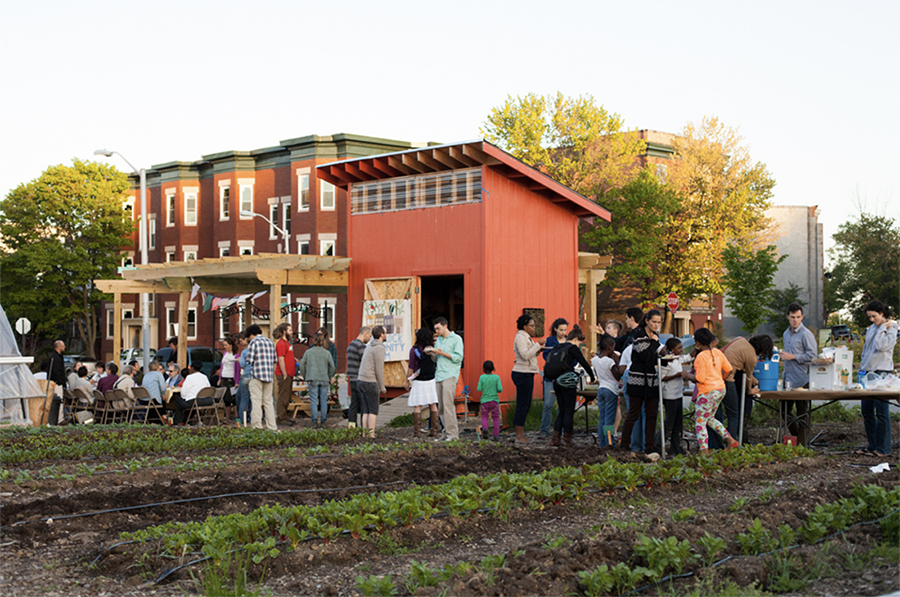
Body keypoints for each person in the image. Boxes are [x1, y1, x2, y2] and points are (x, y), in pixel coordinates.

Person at [686, 328, 738, 454]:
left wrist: (686, 375)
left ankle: (703, 451)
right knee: (709, 418)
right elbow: (728, 369)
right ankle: (731, 440)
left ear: (697, 343)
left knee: (699, 422)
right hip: (720, 389)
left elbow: (700, 378)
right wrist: (720, 379)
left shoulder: (701, 357)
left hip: (706, 392)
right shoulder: (717, 352)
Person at [716, 335, 774, 446]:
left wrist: (753, 380)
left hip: (717, 377)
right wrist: (750, 391)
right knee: (734, 414)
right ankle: (731, 444)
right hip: (728, 379)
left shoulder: (740, 340)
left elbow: (740, 366)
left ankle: (717, 444)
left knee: (718, 415)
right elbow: (747, 376)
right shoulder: (752, 356)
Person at [618, 310, 662, 455]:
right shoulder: (638, 334)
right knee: (633, 413)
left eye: (659, 322)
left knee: (651, 414)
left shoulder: (655, 336)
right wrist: (655, 343)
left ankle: (649, 446)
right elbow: (644, 355)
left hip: (651, 379)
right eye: (654, 321)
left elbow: (652, 357)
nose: (656, 325)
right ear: (647, 321)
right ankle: (625, 444)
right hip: (637, 379)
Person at [858, 300, 897, 456]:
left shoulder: (891, 328)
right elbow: (867, 349)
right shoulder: (872, 328)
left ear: (881, 313)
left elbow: (881, 346)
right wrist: (861, 368)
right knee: (867, 411)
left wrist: (881, 327)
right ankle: (872, 445)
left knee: (881, 412)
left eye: (874, 316)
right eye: (870, 317)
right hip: (868, 372)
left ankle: (884, 448)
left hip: (882, 372)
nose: (872, 320)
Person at [548, 325, 596, 446]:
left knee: (561, 411)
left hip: (556, 381)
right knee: (569, 411)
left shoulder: (558, 347)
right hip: (568, 382)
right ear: (575, 339)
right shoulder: (572, 348)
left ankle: (555, 439)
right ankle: (567, 440)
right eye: (580, 342)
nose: (579, 345)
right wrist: (593, 377)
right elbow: (584, 363)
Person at [781, 303, 818, 445]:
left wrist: (794, 356)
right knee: (783, 410)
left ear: (802, 317)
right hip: (788, 377)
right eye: (792, 317)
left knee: (802, 413)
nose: (795, 320)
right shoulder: (786, 333)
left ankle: (803, 444)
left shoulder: (806, 334)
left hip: (802, 378)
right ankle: (796, 436)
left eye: (798, 317)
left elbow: (813, 356)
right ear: (788, 317)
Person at [512, 314, 546, 444]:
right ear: (524, 326)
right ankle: (519, 436)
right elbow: (525, 355)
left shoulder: (526, 337)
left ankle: (521, 434)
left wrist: (538, 349)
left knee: (526, 405)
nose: (534, 328)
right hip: (522, 373)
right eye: (531, 326)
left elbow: (530, 353)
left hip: (527, 372)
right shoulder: (520, 337)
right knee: (522, 404)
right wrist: (538, 345)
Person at [432, 317, 464, 441]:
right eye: (435, 329)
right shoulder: (438, 340)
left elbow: (458, 357)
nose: (437, 331)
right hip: (439, 374)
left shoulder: (456, 339)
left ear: (445, 326)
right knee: (440, 407)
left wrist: (442, 353)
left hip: (450, 374)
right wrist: (432, 354)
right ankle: (446, 433)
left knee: (448, 405)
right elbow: (436, 358)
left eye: (438, 328)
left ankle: (453, 435)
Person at [405, 327, 439, 438]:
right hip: (431, 379)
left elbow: (411, 367)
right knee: (433, 405)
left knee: (417, 406)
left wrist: (407, 381)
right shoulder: (432, 348)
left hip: (418, 380)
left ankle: (417, 432)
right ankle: (434, 430)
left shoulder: (414, 350)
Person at [297, 332, 336, 428]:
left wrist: (305, 376)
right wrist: (329, 375)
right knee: (323, 401)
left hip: (312, 378)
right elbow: (332, 367)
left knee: (313, 401)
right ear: (323, 341)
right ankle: (323, 421)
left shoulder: (308, 352)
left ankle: (314, 421)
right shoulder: (326, 353)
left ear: (313, 340)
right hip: (324, 378)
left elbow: (302, 365)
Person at [243, 324, 278, 431]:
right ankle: (272, 426)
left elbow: (249, 359)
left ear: (251, 334)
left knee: (256, 401)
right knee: (268, 401)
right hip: (268, 375)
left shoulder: (254, 342)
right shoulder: (269, 342)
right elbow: (274, 359)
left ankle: (257, 426)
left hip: (256, 375)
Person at [660, 338, 689, 456]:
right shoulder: (666, 361)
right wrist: (676, 375)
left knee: (678, 423)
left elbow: (688, 357)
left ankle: (675, 447)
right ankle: (660, 444)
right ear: (672, 349)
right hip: (670, 395)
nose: (681, 350)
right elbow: (662, 377)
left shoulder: (677, 359)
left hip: (678, 394)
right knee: (669, 423)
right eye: (679, 348)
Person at [540, 318, 568, 438]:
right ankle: (544, 429)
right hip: (551, 376)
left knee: (563, 405)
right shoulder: (550, 341)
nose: (563, 332)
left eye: (565, 330)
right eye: (561, 330)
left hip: (564, 376)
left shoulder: (568, 341)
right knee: (548, 404)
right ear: (555, 329)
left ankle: (560, 429)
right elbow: (546, 355)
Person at [592, 335, 621, 448]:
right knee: (609, 419)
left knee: (602, 418)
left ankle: (602, 443)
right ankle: (609, 442)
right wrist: (617, 362)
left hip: (601, 388)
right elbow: (617, 375)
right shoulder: (610, 361)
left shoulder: (594, 360)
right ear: (609, 347)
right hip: (611, 390)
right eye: (613, 347)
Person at [357, 325, 386, 437]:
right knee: (373, 410)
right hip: (370, 381)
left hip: (361, 380)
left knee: (366, 410)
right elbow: (379, 369)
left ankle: (365, 433)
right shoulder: (379, 348)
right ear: (382, 335)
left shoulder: (369, 346)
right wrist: (382, 387)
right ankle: (371, 434)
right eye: (385, 333)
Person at [346, 326, 372, 428]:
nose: (369, 339)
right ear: (365, 334)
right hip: (360, 379)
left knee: (353, 405)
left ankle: (351, 427)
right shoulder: (361, 346)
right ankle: (363, 428)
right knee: (363, 406)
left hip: (352, 379)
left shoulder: (351, 344)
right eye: (369, 336)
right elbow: (365, 363)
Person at [273, 323, 297, 425]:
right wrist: (284, 373)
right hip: (284, 374)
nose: (291, 332)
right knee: (283, 396)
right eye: (290, 330)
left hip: (290, 373)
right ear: (284, 332)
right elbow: (281, 359)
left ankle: (285, 415)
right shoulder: (281, 344)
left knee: (287, 396)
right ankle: (281, 417)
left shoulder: (288, 343)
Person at [477, 360, 503, 441]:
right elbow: (500, 389)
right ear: (493, 368)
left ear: (484, 368)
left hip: (484, 401)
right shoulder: (496, 377)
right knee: (496, 418)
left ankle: (485, 428)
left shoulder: (482, 377)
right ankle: (496, 435)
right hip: (494, 400)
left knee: (484, 416)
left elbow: (478, 389)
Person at [219, 336, 239, 419]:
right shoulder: (225, 354)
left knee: (233, 398)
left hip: (232, 378)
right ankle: (226, 417)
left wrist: (237, 381)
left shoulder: (236, 355)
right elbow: (222, 366)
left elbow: (237, 370)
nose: (224, 347)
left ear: (230, 345)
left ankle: (236, 416)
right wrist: (220, 378)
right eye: (224, 345)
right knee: (226, 398)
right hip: (224, 377)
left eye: (226, 345)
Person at [236, 333, 253, 426]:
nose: (241, 343)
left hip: (246, 374)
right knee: (253, 398)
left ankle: (242, 419)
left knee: (243, 398)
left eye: (241, 340)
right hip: (254, 375)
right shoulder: (255, 350)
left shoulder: (244, 352)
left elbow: (242, 364)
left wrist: (239, 360)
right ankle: (252, 416)